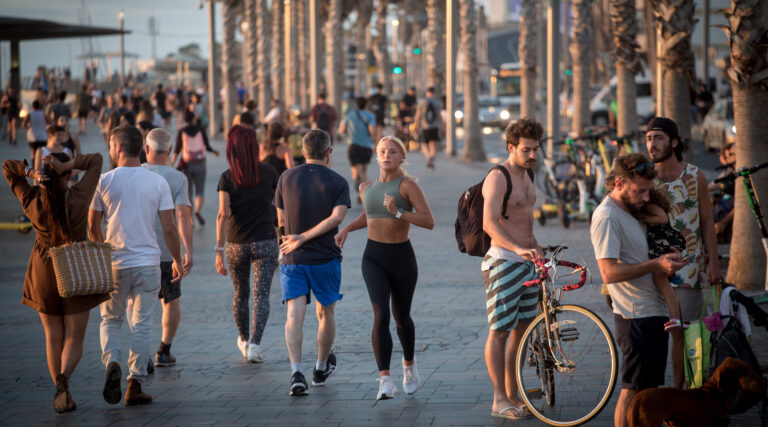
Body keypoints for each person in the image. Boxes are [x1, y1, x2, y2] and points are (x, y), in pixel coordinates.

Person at [89, 125, 188, 407]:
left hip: (114, 264)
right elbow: (169, 228)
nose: (109, 150)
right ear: (139, 148)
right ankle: (134, 383)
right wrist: (178, 260)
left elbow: (92, 224)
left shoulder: (104, 181)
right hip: (148, 264)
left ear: (118, 148)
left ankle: (113, 363)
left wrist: (100, 256)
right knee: (142, 323)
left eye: (110, 145)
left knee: (110, 320)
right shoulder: (157, 183)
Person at [3, 151, 107, 413]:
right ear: (67, 173)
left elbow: (7, 167)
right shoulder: (79, 196)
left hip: (43, 269)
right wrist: (69, 164)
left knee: (52, 336)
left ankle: (62, 391)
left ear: (44, 177)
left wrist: (30, 173)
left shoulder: (31, 199)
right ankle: (64, 382)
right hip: (74, 266)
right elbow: (96, 161)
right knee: (74, 338)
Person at [590, 152, 686, 427]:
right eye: (640, 191)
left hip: (651, 311)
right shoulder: (606, 217)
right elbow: (608, 273)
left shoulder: (631, 209)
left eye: (648, 191)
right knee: (632, 391)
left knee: (647, 391)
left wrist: (666, 258)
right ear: (619, 183)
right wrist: (656, 262)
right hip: (635, 316)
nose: (646, 197)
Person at [334, 136, 434, 400]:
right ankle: (385, 381)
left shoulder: (408, 186)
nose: (386, 155)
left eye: (392, 151)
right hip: (373, 257)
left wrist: (399, 212)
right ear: (376, 157)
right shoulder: (366, 186)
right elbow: (369, 216)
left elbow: (429, 221)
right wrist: (346, 228)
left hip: (402, 257)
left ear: (402, 157)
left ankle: (409, 365)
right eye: (382, 151)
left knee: (402, 317)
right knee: (381, 315)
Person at [275, 129, 350, 396]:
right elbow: (337, 218)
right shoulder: (338, 181)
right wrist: (305, 237)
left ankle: (296, 372)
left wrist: (291, 241)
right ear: (329, 152)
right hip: (325, 257)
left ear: (303, 152)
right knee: (325, 312)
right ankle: (320, 367)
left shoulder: (285, 177)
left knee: (294, 315)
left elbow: (281, 219)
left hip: (292, 258)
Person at [479, 118, 544, 420]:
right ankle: (498, 399)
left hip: (529, 263)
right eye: (526, 150)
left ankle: (514, 396)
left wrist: (536, 248)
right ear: (511, 148)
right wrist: (517, 248)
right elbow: (489, 222)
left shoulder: (528, 174)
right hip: (503, 262)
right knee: (500, 332)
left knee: (523, 331)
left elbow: (524, 218)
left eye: (536, 149)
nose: (533, 155)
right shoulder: (498, 176)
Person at [645, 117, 722, 322]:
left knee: (689, 335)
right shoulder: (645, 179)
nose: (652, 144)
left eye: (659, 138)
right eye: (649, 138)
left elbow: (706, 222)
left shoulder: (695, 176)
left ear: (674, 142)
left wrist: (713, 263)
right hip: (652, 272)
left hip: (689, 271)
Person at [215, 125, 280, 363]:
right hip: (265, 240)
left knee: (240, 293)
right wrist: (282, 235)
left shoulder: (226, 177)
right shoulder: (269, 173)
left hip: (236, 242)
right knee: (262, 295)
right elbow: (278, 210)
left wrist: (218, 250)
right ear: (254, 147)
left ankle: (243, 339)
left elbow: (222, 214)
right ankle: (255, 344)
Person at [142, 129, 194, 367]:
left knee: (137, 304)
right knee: (171, 301)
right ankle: (164, 350)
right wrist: (187, 251)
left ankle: (140, 352)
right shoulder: (178, 178)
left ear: (146, 149)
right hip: (167, 253)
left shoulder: (135, 173)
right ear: (171, 151)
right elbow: (182, 215)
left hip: (138, 252)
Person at [171, 110, 220, 226]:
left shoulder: (182, 131)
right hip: (200, 163)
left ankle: (191, 220)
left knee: (188, 193)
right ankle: (198, 210)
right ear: (193, 119)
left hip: (187, 165)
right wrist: (214, 151)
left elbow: (177, 150)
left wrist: (171, 163)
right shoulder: (201, 130)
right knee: (200, 190)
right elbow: (207, 146)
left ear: (185, 119)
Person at [339, 97, 376, 203]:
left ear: (356, 104)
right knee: (364, 170)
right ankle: (362, 195)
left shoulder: (349, 115)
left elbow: (342, 130)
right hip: (366, 146)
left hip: (353, 146)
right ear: (366, 104)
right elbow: (372, 131)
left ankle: (356, 179)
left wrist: (349, 133)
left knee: (354, 169)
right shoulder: (370, 116)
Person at [710, 142, 736, 243]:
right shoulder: (730, 171)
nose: (728, 159)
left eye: (731, 155)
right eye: (727, 156)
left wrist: (723, 222)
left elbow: (741, 204)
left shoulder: (739, 173)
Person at [411, 87, 441, 170]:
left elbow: (418, 115)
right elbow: (439, 115)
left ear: (427, 92)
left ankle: (428, 156)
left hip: (425, 126)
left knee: (423, 143)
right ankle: (432, 160)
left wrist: (416, 125)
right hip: (434, 126)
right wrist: (442, 125)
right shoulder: (436, 102)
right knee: (433, 144)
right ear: (433, 93)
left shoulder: (422, 101)